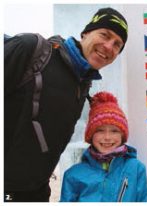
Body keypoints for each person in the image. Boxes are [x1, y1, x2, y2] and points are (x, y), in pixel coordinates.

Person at [4, 7, 128, 202]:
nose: (108, 46)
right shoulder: (32, 49)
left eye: (117, 45)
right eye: (104, 34)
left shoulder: (82, 82)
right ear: (85, 33)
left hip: (35, 192)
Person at [60, 92, 147, 202]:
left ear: (122, 135)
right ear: (91, 135)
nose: (107, 137)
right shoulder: (73, 175)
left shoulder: (136, 169)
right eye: (100, 130)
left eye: (114, 131)